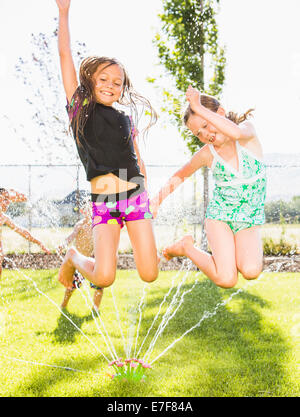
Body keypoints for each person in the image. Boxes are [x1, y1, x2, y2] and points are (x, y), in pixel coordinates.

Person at [55, 0, 159, 291]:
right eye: (103, 79)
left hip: (135, 194)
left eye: (117, 82)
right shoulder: (81, 108)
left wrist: (147, 190)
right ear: (89, 79)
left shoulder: (125, 117)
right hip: (105, 200)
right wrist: (64, 14)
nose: (111, 85)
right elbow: (65, 55)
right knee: (104, 277)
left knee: (150, 274)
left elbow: (135, 157)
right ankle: (73, 256)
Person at [150, 86, 266, 289]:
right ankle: (187, 247)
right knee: (226, 279)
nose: (205, 134)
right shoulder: (207, 153)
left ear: (219, 113)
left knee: (250, 271)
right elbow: (179, 176)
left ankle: (187, 246)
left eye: (206, 124)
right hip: (220, 218)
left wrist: (197, 106)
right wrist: (156, 201)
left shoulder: (247, 134)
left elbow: (235, 132)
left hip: (248, 219)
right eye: (198, 133)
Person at [58, 206, 104, 312]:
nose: (91, 211)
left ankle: (95, 308)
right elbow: (71, 236)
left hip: (91, 259)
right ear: (83, 211)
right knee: (71, 286)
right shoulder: (80, 225)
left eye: (92, 209)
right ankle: (63, 305)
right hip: (78, 260)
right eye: (88, 209)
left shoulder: (97, 224)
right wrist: (63, 244)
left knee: (99, 285)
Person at [0, 188, 50, 278]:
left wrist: (38, 242)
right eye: (5, 199)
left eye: (9, 199)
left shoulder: (3, 218)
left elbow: (23, 232)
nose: (9, 202)